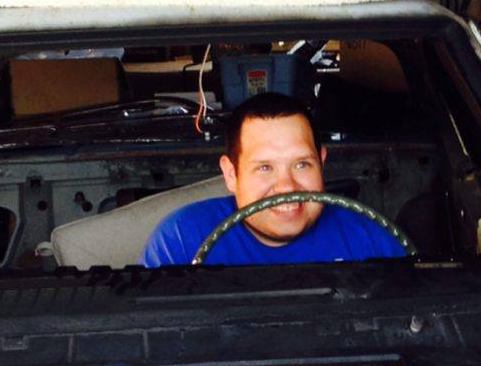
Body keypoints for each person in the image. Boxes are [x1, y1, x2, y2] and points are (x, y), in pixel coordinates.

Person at [138, 92, 406, 266]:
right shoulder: (182, 240)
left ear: (321, 163)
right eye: (265, 167)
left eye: (302, 164)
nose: (287, 187)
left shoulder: (372, 241)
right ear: (231, 174)